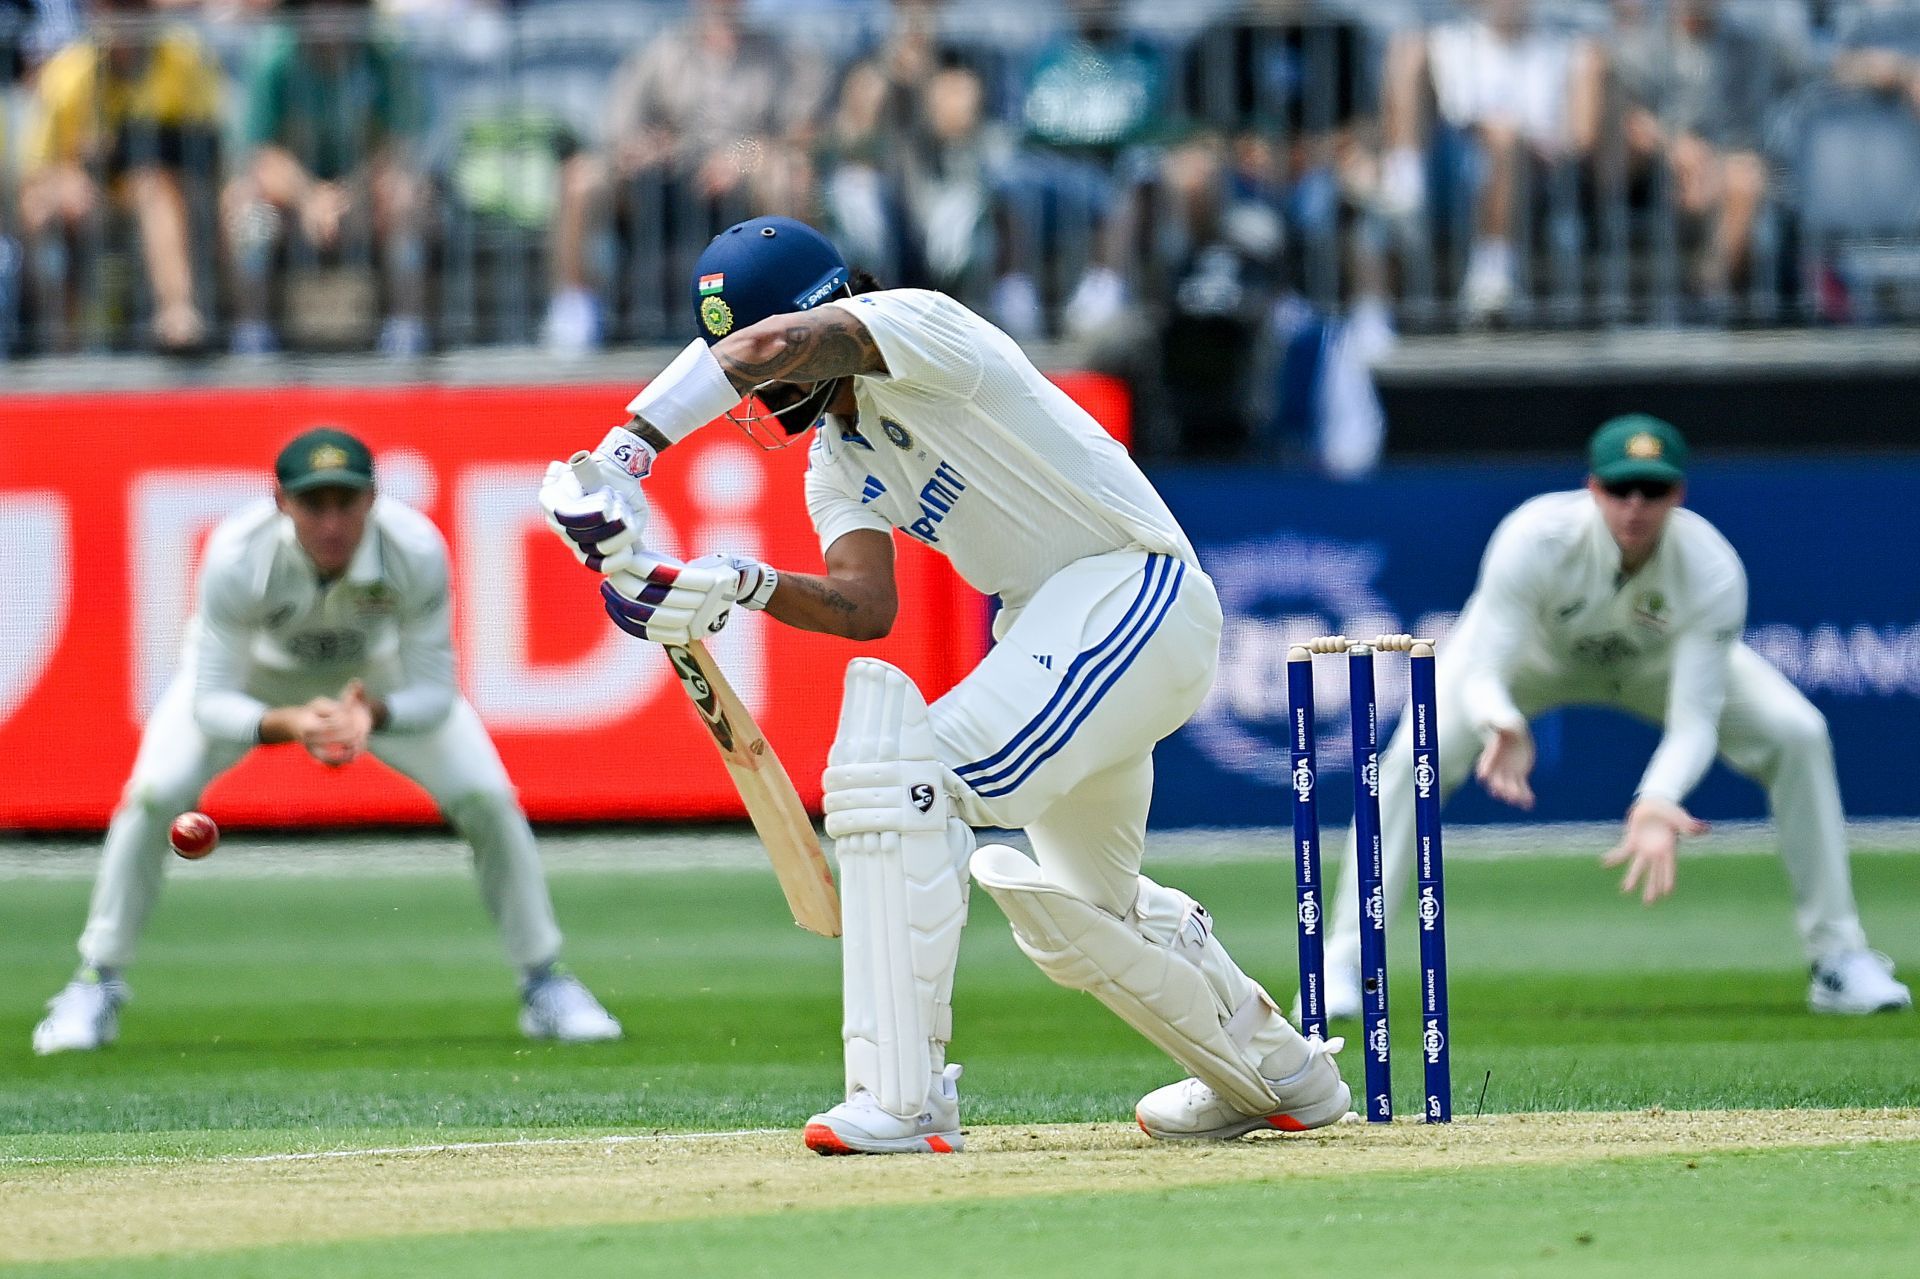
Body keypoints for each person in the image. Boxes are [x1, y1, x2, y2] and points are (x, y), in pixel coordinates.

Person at [537, 216, 1352, 1153]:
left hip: (1136, 587)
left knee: (907, 775)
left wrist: (625, 451)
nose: (763, 385)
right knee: (1087, 909)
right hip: (1058, 628)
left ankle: (904, 1096)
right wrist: (732, 581)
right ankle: (1283, 1072)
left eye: (760, 362)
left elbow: (777, 344)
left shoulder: (920, 326)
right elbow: (861, 604)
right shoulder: (836, 462)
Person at [33, 429, 621, 1056]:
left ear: (372, 499)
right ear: (281, 503)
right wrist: (289, 722)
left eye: (347, 501)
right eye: (315, 504)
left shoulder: (414, 547)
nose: (332, 521)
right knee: (153, 796)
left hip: (375, 681)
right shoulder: (239, 554)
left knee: (487, 796)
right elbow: (209, 703)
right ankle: (95, 981)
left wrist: (375, 714)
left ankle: (544, 980)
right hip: (256, 683)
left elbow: (435, 692)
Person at [1315, 415, 1911, 1020]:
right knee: (1411, 758)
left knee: (1797, 733)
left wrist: (1657, 798)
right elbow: (1482, 670)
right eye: (1620, 488)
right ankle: (1347, 959)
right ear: (1593, 488)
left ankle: (1838, 959)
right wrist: (1503, 722)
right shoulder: (1535, 535)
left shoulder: (1711, 568)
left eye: (1652, 490)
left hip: (1656, 667)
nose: (1635, 506)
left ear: (1676, 495)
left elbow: (1694, 721)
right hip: (1530, 661)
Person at [16, 0, 222, 353]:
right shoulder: (68, 73)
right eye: (116, 7)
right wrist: (65, 183)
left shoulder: (184, 59)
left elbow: (207, 148)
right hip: (91, 203)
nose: (127, 17)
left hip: (170, 201)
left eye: (136, 7)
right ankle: (61, 344)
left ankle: (177, 315)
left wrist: (126, 149)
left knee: (151, 185)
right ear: (97, 13)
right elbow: (35, 174)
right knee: (51, 207)